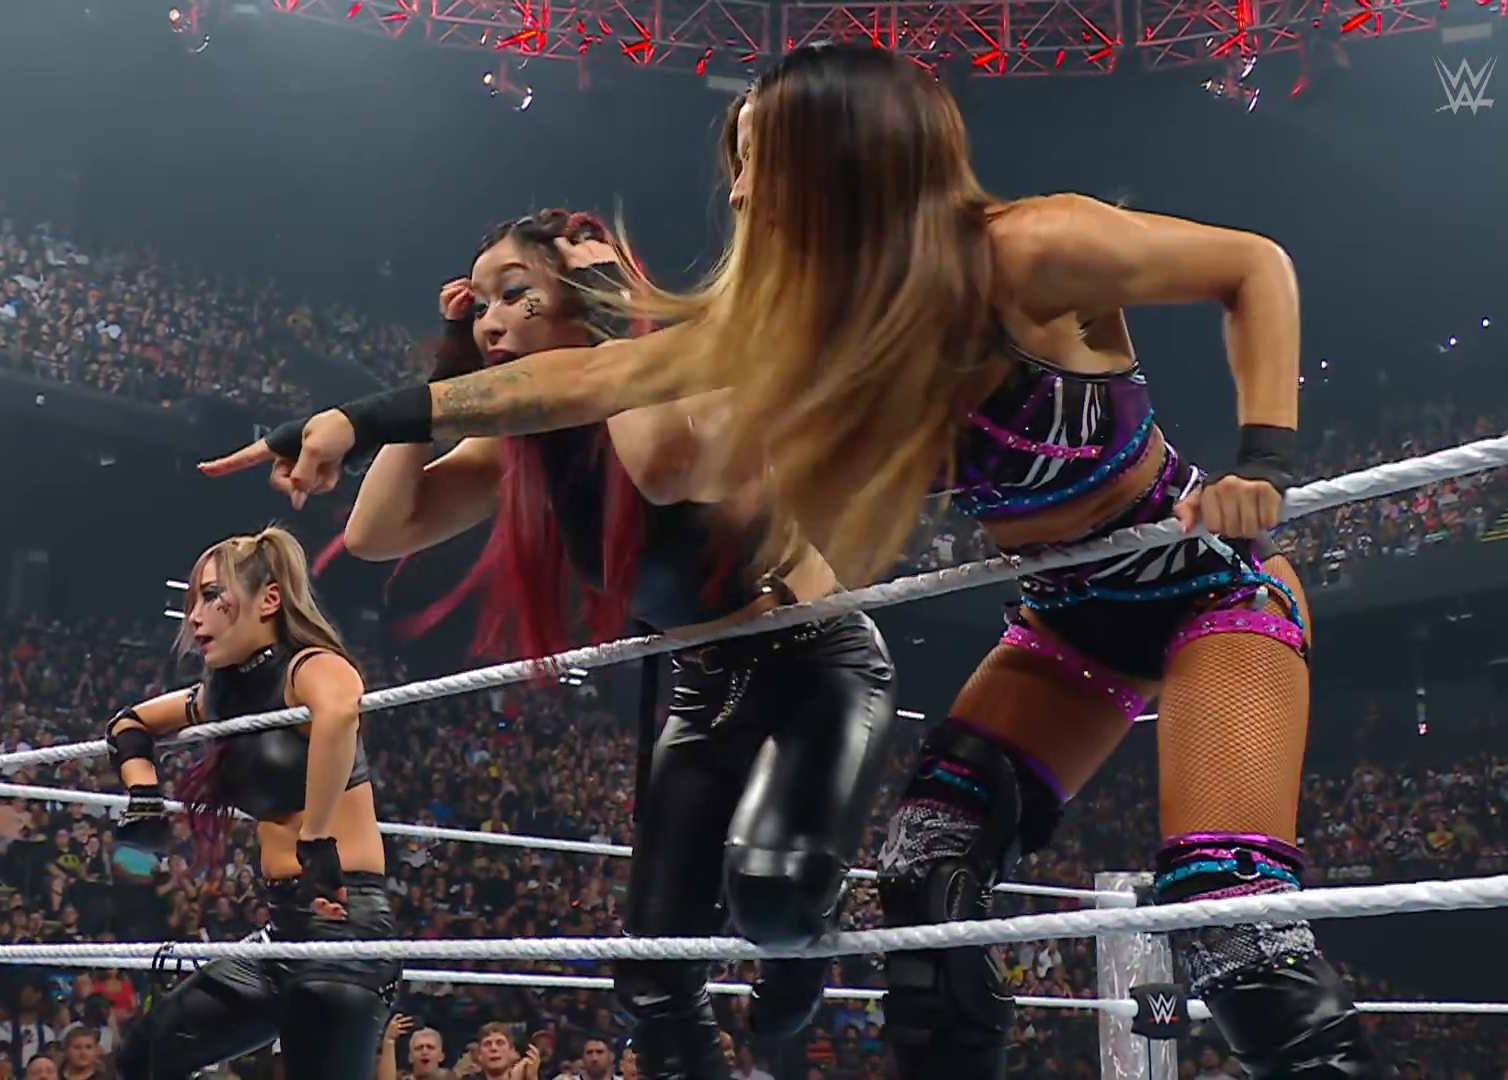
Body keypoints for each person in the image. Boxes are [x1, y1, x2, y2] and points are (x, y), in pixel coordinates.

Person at [207, 44, 1373, 1080]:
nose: (738, 189)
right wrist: (357, 418)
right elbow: (580, 380)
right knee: (924, 875)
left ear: (840, 153)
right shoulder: (812, 327)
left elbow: (1252, 267)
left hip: (1203, 588)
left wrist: (1261, 459)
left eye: (758, 159)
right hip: (1064, 621)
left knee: (1228, 926)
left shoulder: (1026, 249)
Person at [205, 209, 899, 1080]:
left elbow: (662, 468)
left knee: (775, 899)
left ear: (582, 295)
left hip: (815, 659)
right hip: (706, 686)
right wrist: (446, 371)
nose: (489, 320)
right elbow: (382, 531)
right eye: (478, 306)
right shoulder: (527, 445)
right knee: (651, 981)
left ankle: (802, 941)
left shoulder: (692, 369)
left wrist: (611, 304)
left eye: (513, 294)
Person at [105, 526, 397, 1080]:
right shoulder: (224, 697)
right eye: (192, 603)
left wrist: (316, 840)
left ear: (269, 601)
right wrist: (144, 794)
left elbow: (339, 713)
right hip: (280, 934)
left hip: (344, 930)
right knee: (144, 1056)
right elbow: (129, 723)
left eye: (212, 597)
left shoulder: (309, 667)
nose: (196, 618)